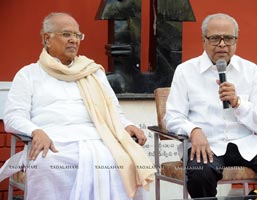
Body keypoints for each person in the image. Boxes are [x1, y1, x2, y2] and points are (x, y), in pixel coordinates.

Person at [1, 12, 155, 200]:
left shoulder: (92, 72)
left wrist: (126, 124)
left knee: (126, 158)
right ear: (47, 39)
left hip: (98, 138)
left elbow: (113, 111)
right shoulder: (29, 74)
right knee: (47, 163)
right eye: (67, 34)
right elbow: (13, 116)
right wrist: (35, 131)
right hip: (54, 141)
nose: (74, 40)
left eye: (77, 35)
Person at [164, 13, 257, 198]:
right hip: (206, 145)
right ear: (203, 40)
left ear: (236, 41)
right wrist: (193, 130)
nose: (222, 44)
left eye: (228, 38)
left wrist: (238, 103)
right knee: (200, 174)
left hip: (245, 143)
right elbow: (172, 116)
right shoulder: (185, 71)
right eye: (215, 38)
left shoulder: (251, 71)